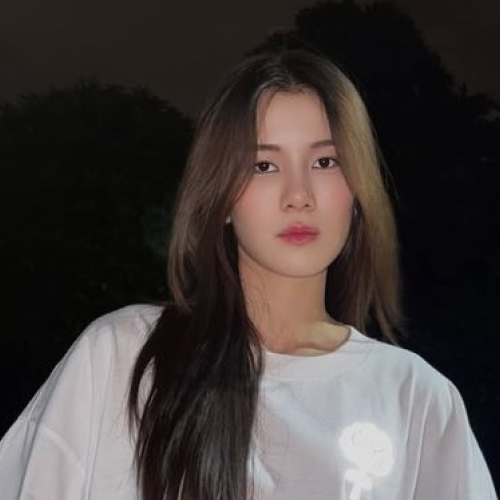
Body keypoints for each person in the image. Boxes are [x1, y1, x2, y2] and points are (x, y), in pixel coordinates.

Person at [0, 49, 497, 500]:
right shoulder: (120, 358)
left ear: (358, 189)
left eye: (325, 161)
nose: (298, 195)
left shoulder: (415, 398)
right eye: (263, 166)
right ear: (221, 197)